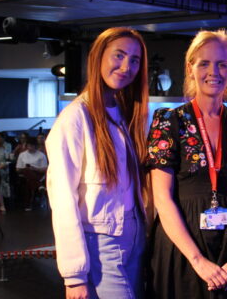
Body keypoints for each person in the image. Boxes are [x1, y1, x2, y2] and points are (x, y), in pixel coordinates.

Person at [146, 29, 227, 298]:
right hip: (183, 247)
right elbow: (161, 198)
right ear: (190, 68)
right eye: (204, 63)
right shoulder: (168, 122)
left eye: (223, 64)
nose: (215, 71)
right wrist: (197, 260)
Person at [47, 27, 149, 299]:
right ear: (98, 57)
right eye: (119, 55)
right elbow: (62, 198)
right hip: (102, 243)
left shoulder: (122, 112)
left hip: (135, 235)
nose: (126, 66)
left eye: (135, 60)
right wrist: (74, 275)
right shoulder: (74, 118)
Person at [16, 137, 48, 211]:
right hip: (24, 173)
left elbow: (44, 169)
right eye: (28, 146)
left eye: (32, 146)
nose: (30, 147)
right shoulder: (22, 155)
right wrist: (26, 169)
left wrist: (34, 168)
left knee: (29, 180)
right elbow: (17, 169)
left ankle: (28, 205)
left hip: (38, 173)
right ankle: (39, 185)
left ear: (35, 146)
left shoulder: (41, 155)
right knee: (27, 171)